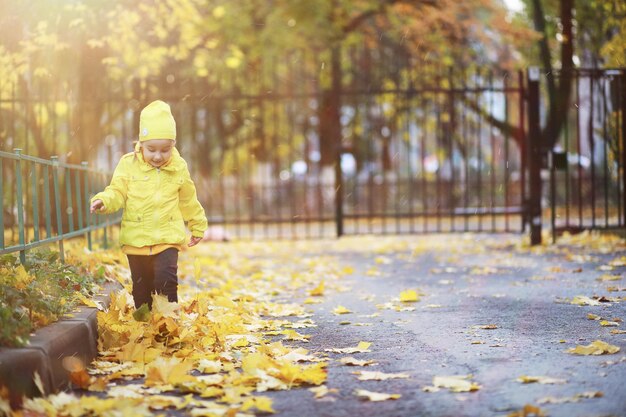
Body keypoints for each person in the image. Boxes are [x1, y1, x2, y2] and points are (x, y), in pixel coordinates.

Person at [90, 100, 207, 309]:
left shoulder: (179, 167)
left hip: (167, 238)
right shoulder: (128, 164)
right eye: (151, 149)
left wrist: (197, 225)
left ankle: (167, 325)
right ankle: (144, 327)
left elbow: (188, 199)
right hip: (137, 241)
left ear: (173, 145)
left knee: (166, 283)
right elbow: (117, 191)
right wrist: (104, 201)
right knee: (141, 291)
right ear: (140, 144)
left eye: (165, 149)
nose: (158, 156)